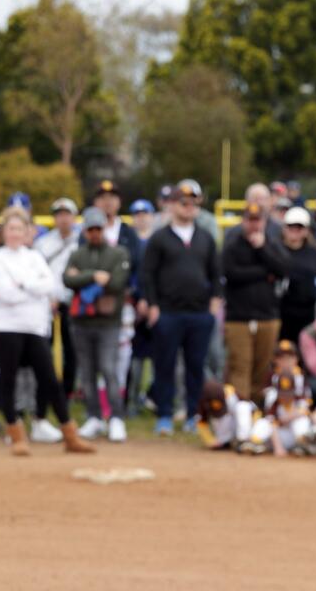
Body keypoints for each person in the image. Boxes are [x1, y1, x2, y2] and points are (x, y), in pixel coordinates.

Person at [0, 208, 94, 456]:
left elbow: (50, 285)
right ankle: (15, 433)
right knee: (8, 379)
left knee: (50, 379)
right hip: (7, 327)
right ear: (5, 232)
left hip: (35, 327)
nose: (15, 233)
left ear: (27, 232)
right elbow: (5, 294)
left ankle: (69, 433)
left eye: (19, 229)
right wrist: (32, 290)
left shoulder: (34, 257)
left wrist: (24, 284)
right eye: (11, 229)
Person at [141, 178, 220, 435]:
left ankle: (192, 414)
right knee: (164, 365)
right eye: (183, 202)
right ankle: (164, 414)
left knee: (195, 366)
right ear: (173, 205)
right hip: (168, 312)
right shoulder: (160, 238)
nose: (188, 207)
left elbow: (215, 274)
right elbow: (148, 274)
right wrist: (153, 305)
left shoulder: (205, 237)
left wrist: (214, 304)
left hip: (198, 313)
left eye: (192, 202)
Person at [64, 207, 131, 442]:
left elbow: (117, 282)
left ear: (104, 229)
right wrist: (94, 276)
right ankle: (93, 416)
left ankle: (116, 418)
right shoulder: (78, 253)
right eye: (90, 229)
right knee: (87, 372)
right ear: (85, 231)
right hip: (81, 322)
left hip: (108, 323)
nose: (94, 233)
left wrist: (82, 276)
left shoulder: (118, 253)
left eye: (98, 229)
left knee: (108, 369)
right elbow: (67, 279)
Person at [222, 200, 289, 405]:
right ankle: (240, 411)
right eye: (250, 220)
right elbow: (231, 274)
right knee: (240, 365)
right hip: (238, 317)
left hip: (267, 316)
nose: (253, 225)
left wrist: (262, 250)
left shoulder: (272, 243)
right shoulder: (232, 244)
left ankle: (256, 410)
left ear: (264, 221)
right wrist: (263, 273)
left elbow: (283, 269)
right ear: (243, 221)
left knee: (262, 367)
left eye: (257, 220)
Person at [35, 197, 82, 397]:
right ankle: (48, 390)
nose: (63, 219)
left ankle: (68, 391)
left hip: (73, 302)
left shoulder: (81, 241)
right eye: (59, 215)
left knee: (72, 349)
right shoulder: (42, 243)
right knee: (46, 351)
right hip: (48, 303)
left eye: (67, 214)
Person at [277, 206, 316, 344]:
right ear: (284, 228)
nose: (295, 230)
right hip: (281, 311)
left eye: (299, 227)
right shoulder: (275, 250)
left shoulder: (315, 254)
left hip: (308, 313)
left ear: (307, 230)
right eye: (291, 226)